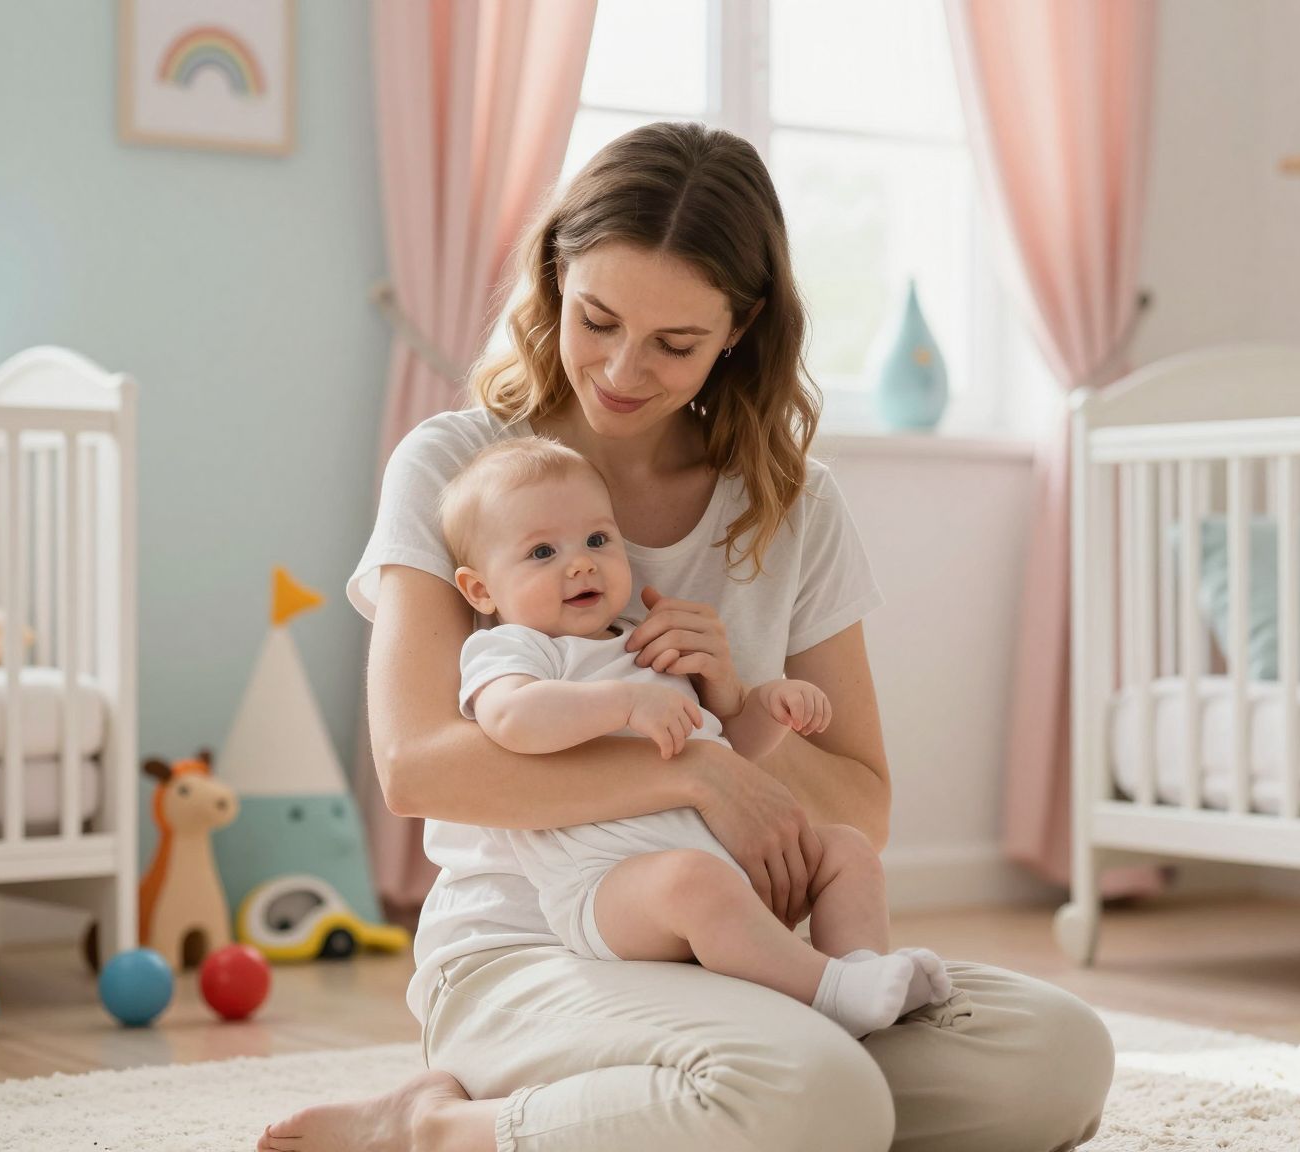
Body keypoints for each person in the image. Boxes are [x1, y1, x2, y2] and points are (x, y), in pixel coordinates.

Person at [260, 120, 1112, 1152]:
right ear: (553, 278)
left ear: (740, 329)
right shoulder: (458, 469)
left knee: (1056, 1056)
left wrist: (737, 709)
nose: (622, 371)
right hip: (526, 949)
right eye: (596, 319)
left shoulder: (792, 505)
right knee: (814, 1099)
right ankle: (437, 1131)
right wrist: (691, 777)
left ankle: (722, 1108)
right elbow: (420, 769)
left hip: (735, 949)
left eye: (674, 344)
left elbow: (861, 807)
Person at [440, 436, 954, 1037]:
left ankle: (860, 970)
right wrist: (621, 703)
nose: (579, 563)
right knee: (693, 881)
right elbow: (511, 719)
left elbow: (732, 746)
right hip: (606, 889)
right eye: (543, 551)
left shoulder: (643, 638)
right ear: (480, 590)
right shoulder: (513, 649)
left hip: (727, 864)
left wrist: (766, 704)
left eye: (598, 541)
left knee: (845, 850)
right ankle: (828, 990)